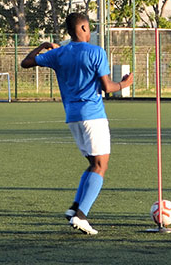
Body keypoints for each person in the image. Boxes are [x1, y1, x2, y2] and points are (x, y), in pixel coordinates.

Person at [21, 13, 132, 236]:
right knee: (101, 165)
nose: (90, 32)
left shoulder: (58, 53)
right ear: (81, 27)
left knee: (93, 163)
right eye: (88, 28)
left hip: (72, 115)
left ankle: (74, 208)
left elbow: (26, 63)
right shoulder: (95, 52)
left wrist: (43, 46)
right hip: (92, 114)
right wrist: (125, 83)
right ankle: (82, 216)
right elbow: (107, 87)